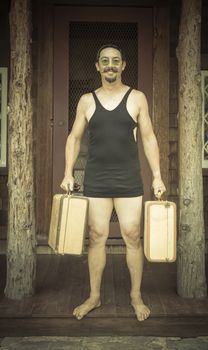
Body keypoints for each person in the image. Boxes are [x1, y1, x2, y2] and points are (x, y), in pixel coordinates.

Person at [60, 44, 166, 322]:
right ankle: (94, 296)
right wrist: (68, 172)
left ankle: (135, 296)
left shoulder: (137, 98)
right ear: (97, 66)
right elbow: (73, 138)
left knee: (132, 236)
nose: (110, 65)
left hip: (128, 178)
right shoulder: (86, 101)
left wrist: (156, 176)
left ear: (123, 65)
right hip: (96, 178)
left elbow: (149, 138)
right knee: (96, 237)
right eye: (105, 61)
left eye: (115, 61)